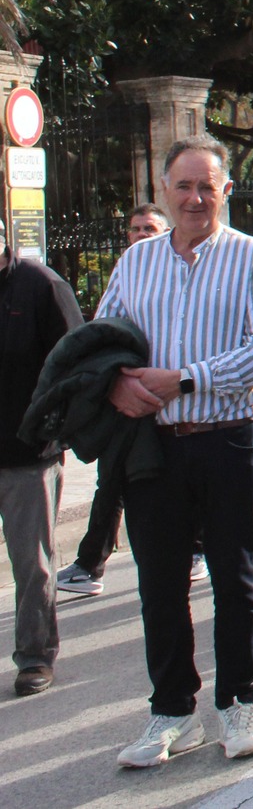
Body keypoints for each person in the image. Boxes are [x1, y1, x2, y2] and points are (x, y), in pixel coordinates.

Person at [98, 136, 253, 767]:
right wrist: (118, 385)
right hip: (154, 447)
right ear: (164, 189)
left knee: (235, 579)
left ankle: (238, 704)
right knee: (159, 584)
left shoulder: (251, 256)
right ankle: (173, 711)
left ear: (225, 190)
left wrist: (184, 379)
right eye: (184, 185)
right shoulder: (137, 262)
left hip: (229, 438)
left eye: (207, 186)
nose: (195, 198)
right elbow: (102, 338)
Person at [56, 202, 170, 599]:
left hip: (168, 396)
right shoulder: (125, 272)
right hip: (124, 397)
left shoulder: (175, 273)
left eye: (149, 228)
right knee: (111, 481)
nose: (140, 235)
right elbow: (104, 332)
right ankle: (90, 564)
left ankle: (194, 548)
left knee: (164, 478)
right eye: (135, 229)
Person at [0, 238, 84, 696]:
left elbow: (77, 360)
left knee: (32, 565)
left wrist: (58, 428)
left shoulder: (41, 284)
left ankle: (34, 656)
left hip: (26, 455)